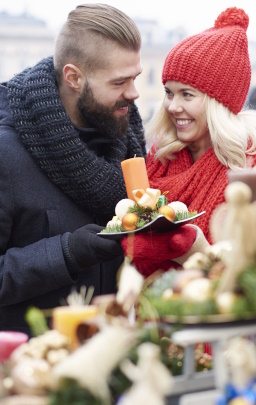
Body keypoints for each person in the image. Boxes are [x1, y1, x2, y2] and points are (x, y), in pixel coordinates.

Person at [0, 3, 146, 333]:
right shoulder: (6, 152)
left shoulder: (129, 138)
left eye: (135, 77)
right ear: (73, 78)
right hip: (35, 367)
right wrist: (66, 253)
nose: (135, 93)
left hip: (116, 356)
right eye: (120, 82)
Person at [122, 7, 256, 276]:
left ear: (219, 103)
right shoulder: (158, 161)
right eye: (169, 93)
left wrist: (199, 252)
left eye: (187, 95)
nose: (172, 107)